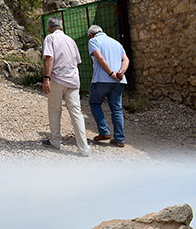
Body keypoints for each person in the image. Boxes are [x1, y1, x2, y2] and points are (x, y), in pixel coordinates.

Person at [41, 17, 90, 157]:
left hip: (57, 79)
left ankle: (55, 141)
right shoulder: (71, 40)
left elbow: (49, 59)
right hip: (73, 80)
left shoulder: (50, 38)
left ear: (50, 27)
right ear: (61, 27)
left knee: (55, 110)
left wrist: (46, 79)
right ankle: (84, 148)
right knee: (76, 113)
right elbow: (77, 61)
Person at [87, 24, 130, 147]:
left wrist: (111, 73)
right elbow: (126, 60)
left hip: (101, 79)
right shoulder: (116, 43)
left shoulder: (93, 41)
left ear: (90, 35)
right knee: (116, 109)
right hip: (118, 81)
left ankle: (104, 132)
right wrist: (121, 72)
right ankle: (120, 139)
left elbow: (99, 57)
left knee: (95, 103)